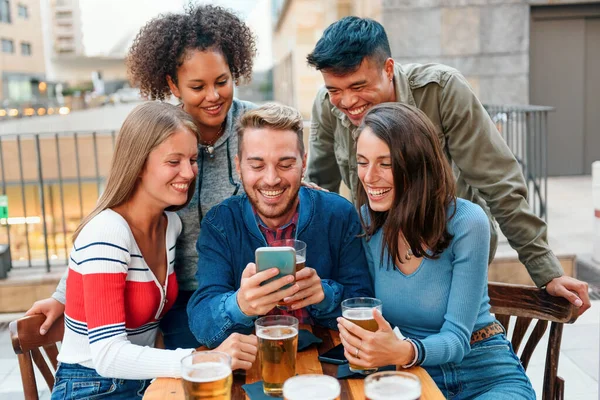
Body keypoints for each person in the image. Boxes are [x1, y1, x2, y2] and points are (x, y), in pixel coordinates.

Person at [305, 16, 590, 314]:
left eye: (358, 86)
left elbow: (499, 183)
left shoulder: (442, 90)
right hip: (380, 255)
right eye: (334, 90)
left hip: (447, 248)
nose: (347, 101)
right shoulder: (326, 106)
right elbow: (321, 195)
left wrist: (546, 271)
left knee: (447, 338)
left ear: (388, 69)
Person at [26, 5, 259, 349]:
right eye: (197, 86)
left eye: (222, 82)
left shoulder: (254, 126)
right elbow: (117, 214)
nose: (213, 96)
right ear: (173, 85)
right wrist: (64, 295)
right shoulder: (163, 136)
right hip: (179, 295)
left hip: (246, 286)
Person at [50, 102, 257, 400]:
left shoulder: (169, 225)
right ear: (137, 165)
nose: (188, 172)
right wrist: (202, 360)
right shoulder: (108, 231)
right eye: (174, 162)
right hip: (92, 387)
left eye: (192, 159)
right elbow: (107, 356)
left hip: (144, 383)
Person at [337, 103, 535, 399]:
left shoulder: (468, 222)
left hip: (484, 370)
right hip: (415, 374)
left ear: (417, 165)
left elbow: (456, 340)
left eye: (386, 164)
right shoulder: (367, 223)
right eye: (362, 162)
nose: (369, 176)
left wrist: (401, 350)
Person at [187, 103, 373, 347]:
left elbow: (365, 304)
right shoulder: (220, 223)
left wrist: (324, 296)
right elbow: (201, 325)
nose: (271, 179)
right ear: (238, 166)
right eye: (256, 165)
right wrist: (240, 304)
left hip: (328, 362)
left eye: (285, 165)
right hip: (253, 364)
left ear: (303, 163)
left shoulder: (338, 214)